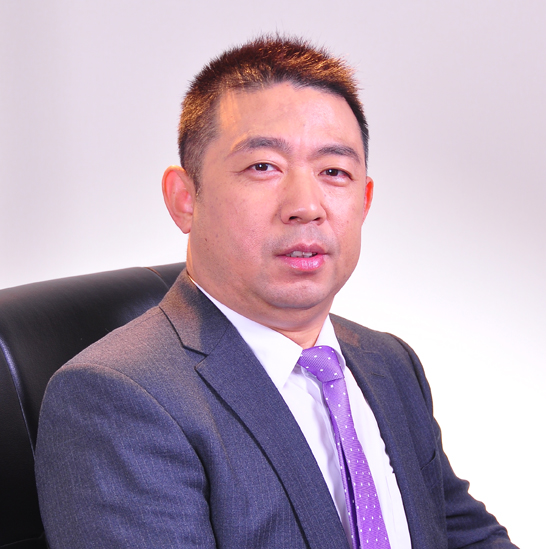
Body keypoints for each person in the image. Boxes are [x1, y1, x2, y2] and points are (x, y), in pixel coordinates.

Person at [35, 36, 517, 548]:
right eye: (263, 166)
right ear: (185, 199)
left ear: (365, 200)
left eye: (334, 172)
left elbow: (469, 538)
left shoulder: (388, 363)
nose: (306, 205)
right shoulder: (116, 399)